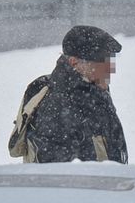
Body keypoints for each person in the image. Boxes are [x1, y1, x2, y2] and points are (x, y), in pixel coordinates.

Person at [10, 25, 128, 164]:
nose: (109, 68)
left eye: (110, 60)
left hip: (104, 183)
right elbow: (60, 176)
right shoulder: (58, 106)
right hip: (83, 185)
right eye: (101, 61)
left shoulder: (92, 91)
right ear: (74, 62)